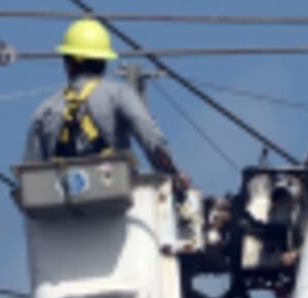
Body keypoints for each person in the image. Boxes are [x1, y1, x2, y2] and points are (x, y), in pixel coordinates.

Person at [24, 17, 191, 192]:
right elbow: (150, 137)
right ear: (103, 61)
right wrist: (173, 176)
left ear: (69, 63)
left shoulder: (44, 111)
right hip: (116, 203)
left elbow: (30, 177)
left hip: (60, 213)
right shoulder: (119, 95)